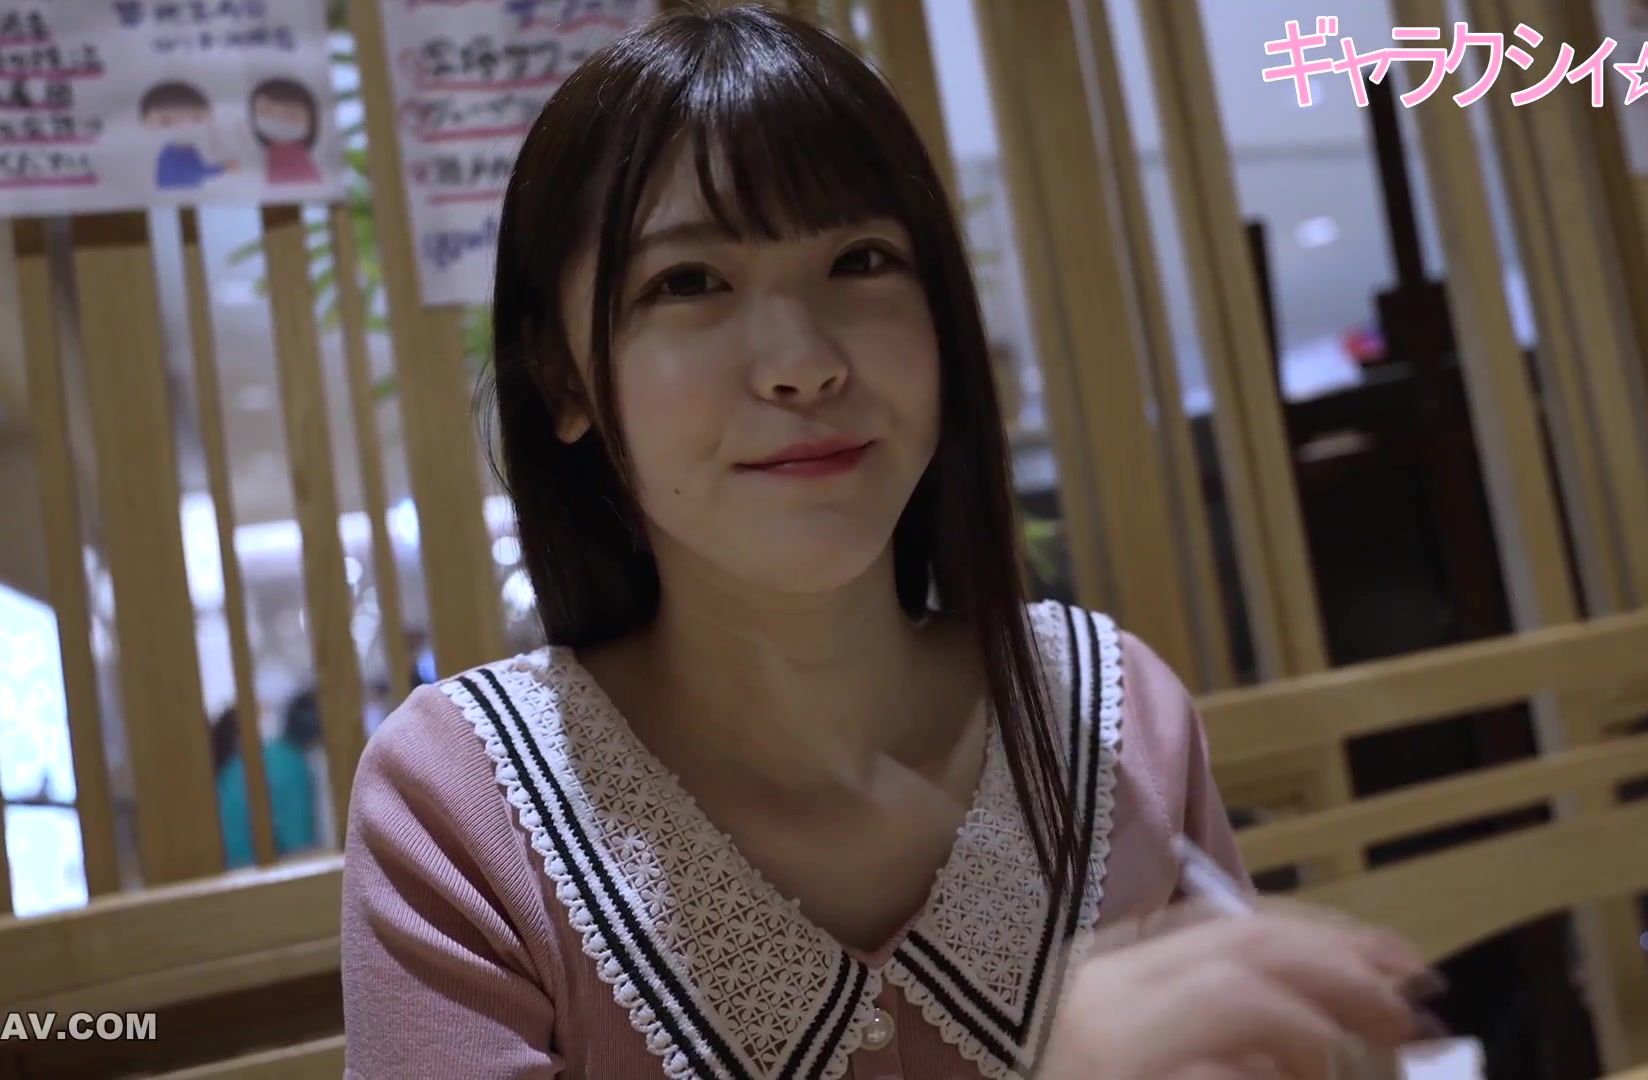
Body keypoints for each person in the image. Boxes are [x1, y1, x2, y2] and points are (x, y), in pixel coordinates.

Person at [340, 6, 1436, 1078]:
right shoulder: (460, 808)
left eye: (861, 261)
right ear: (564, 380)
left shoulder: (1111, 721)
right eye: (690, 282)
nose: (803, 363)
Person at [210, 699, 318, 869]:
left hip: (228, 874)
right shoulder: (288, 763)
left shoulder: (232, 769)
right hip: (262, 875)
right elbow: (299, 847)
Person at [139, 81, 235, 190]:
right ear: (144, 124)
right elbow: (194, 172)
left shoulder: (187, 148)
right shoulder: (172, 152)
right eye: (166, 122)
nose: (183, 127)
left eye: (196, 119)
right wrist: (222, 169)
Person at [247, 77, 323, 185]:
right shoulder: (272, 150)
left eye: (292, 115)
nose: (278, 120)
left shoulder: (296, 158)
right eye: (266, 111)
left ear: (312, 120)